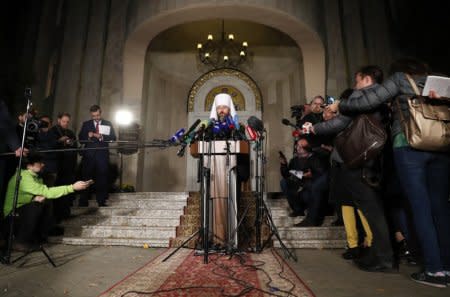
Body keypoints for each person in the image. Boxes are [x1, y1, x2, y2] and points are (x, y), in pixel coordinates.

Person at [337, 58, 450, 287]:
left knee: (420, 207)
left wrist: (341, 105)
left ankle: (435, 270)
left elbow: (367, 102)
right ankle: (446, 266)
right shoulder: (440, 82)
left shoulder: (400, 79)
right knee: (441, 208)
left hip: (410, 144)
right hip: (441, 146)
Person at [311, 65, 395, 272]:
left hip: (357, 158)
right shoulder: (382, 97)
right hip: (374, 157)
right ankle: (380, 254)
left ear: (366, 80)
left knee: (371, 209)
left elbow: (340, 123)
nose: (354, 85)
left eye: (357, 81)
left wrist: (314, 128)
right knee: (373, 208)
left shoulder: (360, 98)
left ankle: (383, 259)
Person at [3, 153, 90, 251]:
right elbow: (47, 192)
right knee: (35, 206)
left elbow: (34, 194)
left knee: (43, 202)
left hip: (21, 210)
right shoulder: (24, 178)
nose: (43, 164)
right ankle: (20, 241)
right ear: (29, 166)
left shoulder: (35, 176)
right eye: (39, 163)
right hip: (12, 216)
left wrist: (33, 198)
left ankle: (43, 233)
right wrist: (72, 187)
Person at [78, 105, 116, 207]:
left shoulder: (108, 124)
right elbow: (80, 138)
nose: (96, 118)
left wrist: (102, 136)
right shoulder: (86, 124)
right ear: (91, 115)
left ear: (101, 113)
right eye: (93, 116)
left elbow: (113, 137)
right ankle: (83, 201)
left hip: (102, 155)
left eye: (98, 115)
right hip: (89, 155)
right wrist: (88, 136)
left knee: (102, 178)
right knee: (86, 177)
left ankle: (101, 201)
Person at [50, 112, 78, 221]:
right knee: (57, 190)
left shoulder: (70, 132)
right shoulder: (53, 131)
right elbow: (49, 145)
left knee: (68, 191)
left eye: (67, 122)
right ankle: (56, 215)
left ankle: (65, 212)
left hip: (69, 166)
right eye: (63, 121)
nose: (66, 123)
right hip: (58, 165)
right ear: (58, 120)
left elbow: (75, 147)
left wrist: (71, 143)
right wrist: (59, 141)